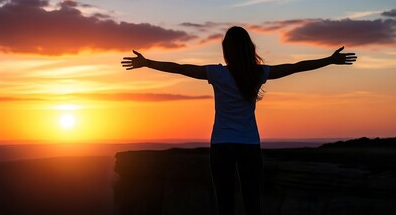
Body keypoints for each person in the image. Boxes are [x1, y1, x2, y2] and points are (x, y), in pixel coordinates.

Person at [121, 26, 357, 215]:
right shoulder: (259, 73)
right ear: (248, 48)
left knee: (225, 206)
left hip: (222, 145)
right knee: (253, 205)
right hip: (249, 146)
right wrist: (329, 60)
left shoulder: (217, 73)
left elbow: (180, 68)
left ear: (227, 50)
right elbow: (295, 67)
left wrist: (148, 63)